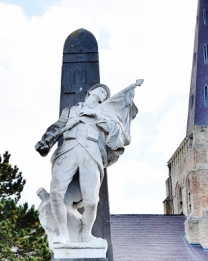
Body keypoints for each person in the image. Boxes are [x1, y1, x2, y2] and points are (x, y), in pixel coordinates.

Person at [36, 80, 142, 247]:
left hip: (91, 153)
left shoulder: (103, 113)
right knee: (56, 193)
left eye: (105, 94)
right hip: (68, 150)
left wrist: (97, 116)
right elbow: (57, 127)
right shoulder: (71, 111)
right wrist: (45, 142)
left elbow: (116, 130)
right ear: (90, 93)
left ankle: (85, 234)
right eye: (100, 90)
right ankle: (63, 233)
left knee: (91, 200)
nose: (102, 94)